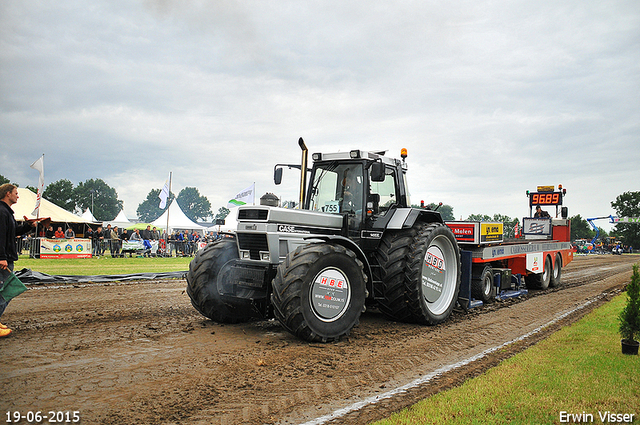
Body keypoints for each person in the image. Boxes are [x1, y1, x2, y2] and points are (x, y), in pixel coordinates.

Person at [0, 184, 38, 338]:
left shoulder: (7, 212)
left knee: (6, 290)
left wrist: (28, 226)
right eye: (16, 193)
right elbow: (0, 236)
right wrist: (1, 257)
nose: (18, 196)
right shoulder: (2, 212)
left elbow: (14, 231)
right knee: (6, 291)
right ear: (8, 194)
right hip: (3, 259)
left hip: (7, 257)